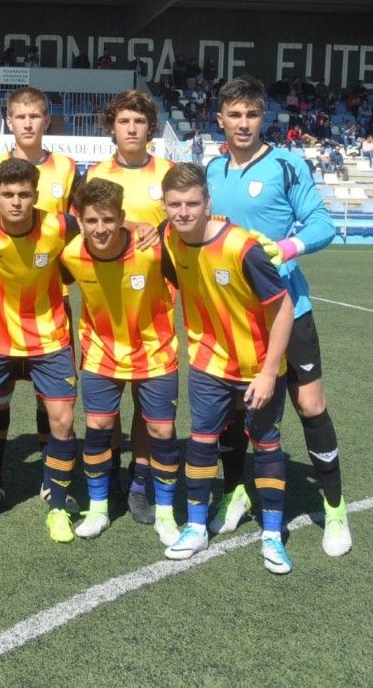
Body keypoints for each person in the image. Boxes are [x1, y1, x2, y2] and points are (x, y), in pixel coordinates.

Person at [205, 75, 351, 558]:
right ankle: (235, 492)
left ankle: (334, 509)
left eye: (251, 114)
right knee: (236, 413)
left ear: (261, 117)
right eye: (235, 115)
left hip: (290, 310)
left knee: (310, 407)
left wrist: (286, 246)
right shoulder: (211, 170)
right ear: (220, 119)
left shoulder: (288, 164)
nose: (243, 124)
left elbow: (323, 225)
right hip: (232, 316)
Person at [160, 162, 297, 574]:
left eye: (192, 203)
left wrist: (270, 372)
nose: (183, 212)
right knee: (201, 441)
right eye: (174, 204)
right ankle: (197, 526)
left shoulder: (242, 247)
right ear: (164, 206)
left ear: (208, 202)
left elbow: (285, 308)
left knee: (266, 443)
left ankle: (273, 534)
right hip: (207, 362)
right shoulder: (169, 236)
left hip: (257, 365)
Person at [0, 85, 80, 510]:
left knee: (50, 403)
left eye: (36, 117)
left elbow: (83, 225)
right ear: (8, 121)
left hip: (52, 302)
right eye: (19, 117)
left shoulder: (68, 168)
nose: (28, 124)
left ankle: (52, 482)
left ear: (46, 121)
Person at [61, 178, 181, 545]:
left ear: (122, 219)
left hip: (155, 352)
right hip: (101, 352)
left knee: (161, 431)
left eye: (109, 221)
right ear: (80, 221)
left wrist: (144, 228)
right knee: (97, 426)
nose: (100, 229)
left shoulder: (153, 250)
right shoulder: (70, 255)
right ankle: (98, 509)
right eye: (92, 221)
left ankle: (164, 512)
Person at [84, 88, 173, 525]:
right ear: (112, 126)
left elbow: (184, 227)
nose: (132, 128)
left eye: (139, 121)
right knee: (105, 407)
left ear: (149, 127)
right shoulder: (97, 174)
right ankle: (110, 474)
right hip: (104, 305)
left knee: (147, 404)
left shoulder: (171, 174)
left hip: (154, 305)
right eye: (123, 121)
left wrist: (160, 231)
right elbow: (84, 230)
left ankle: (141, 480)